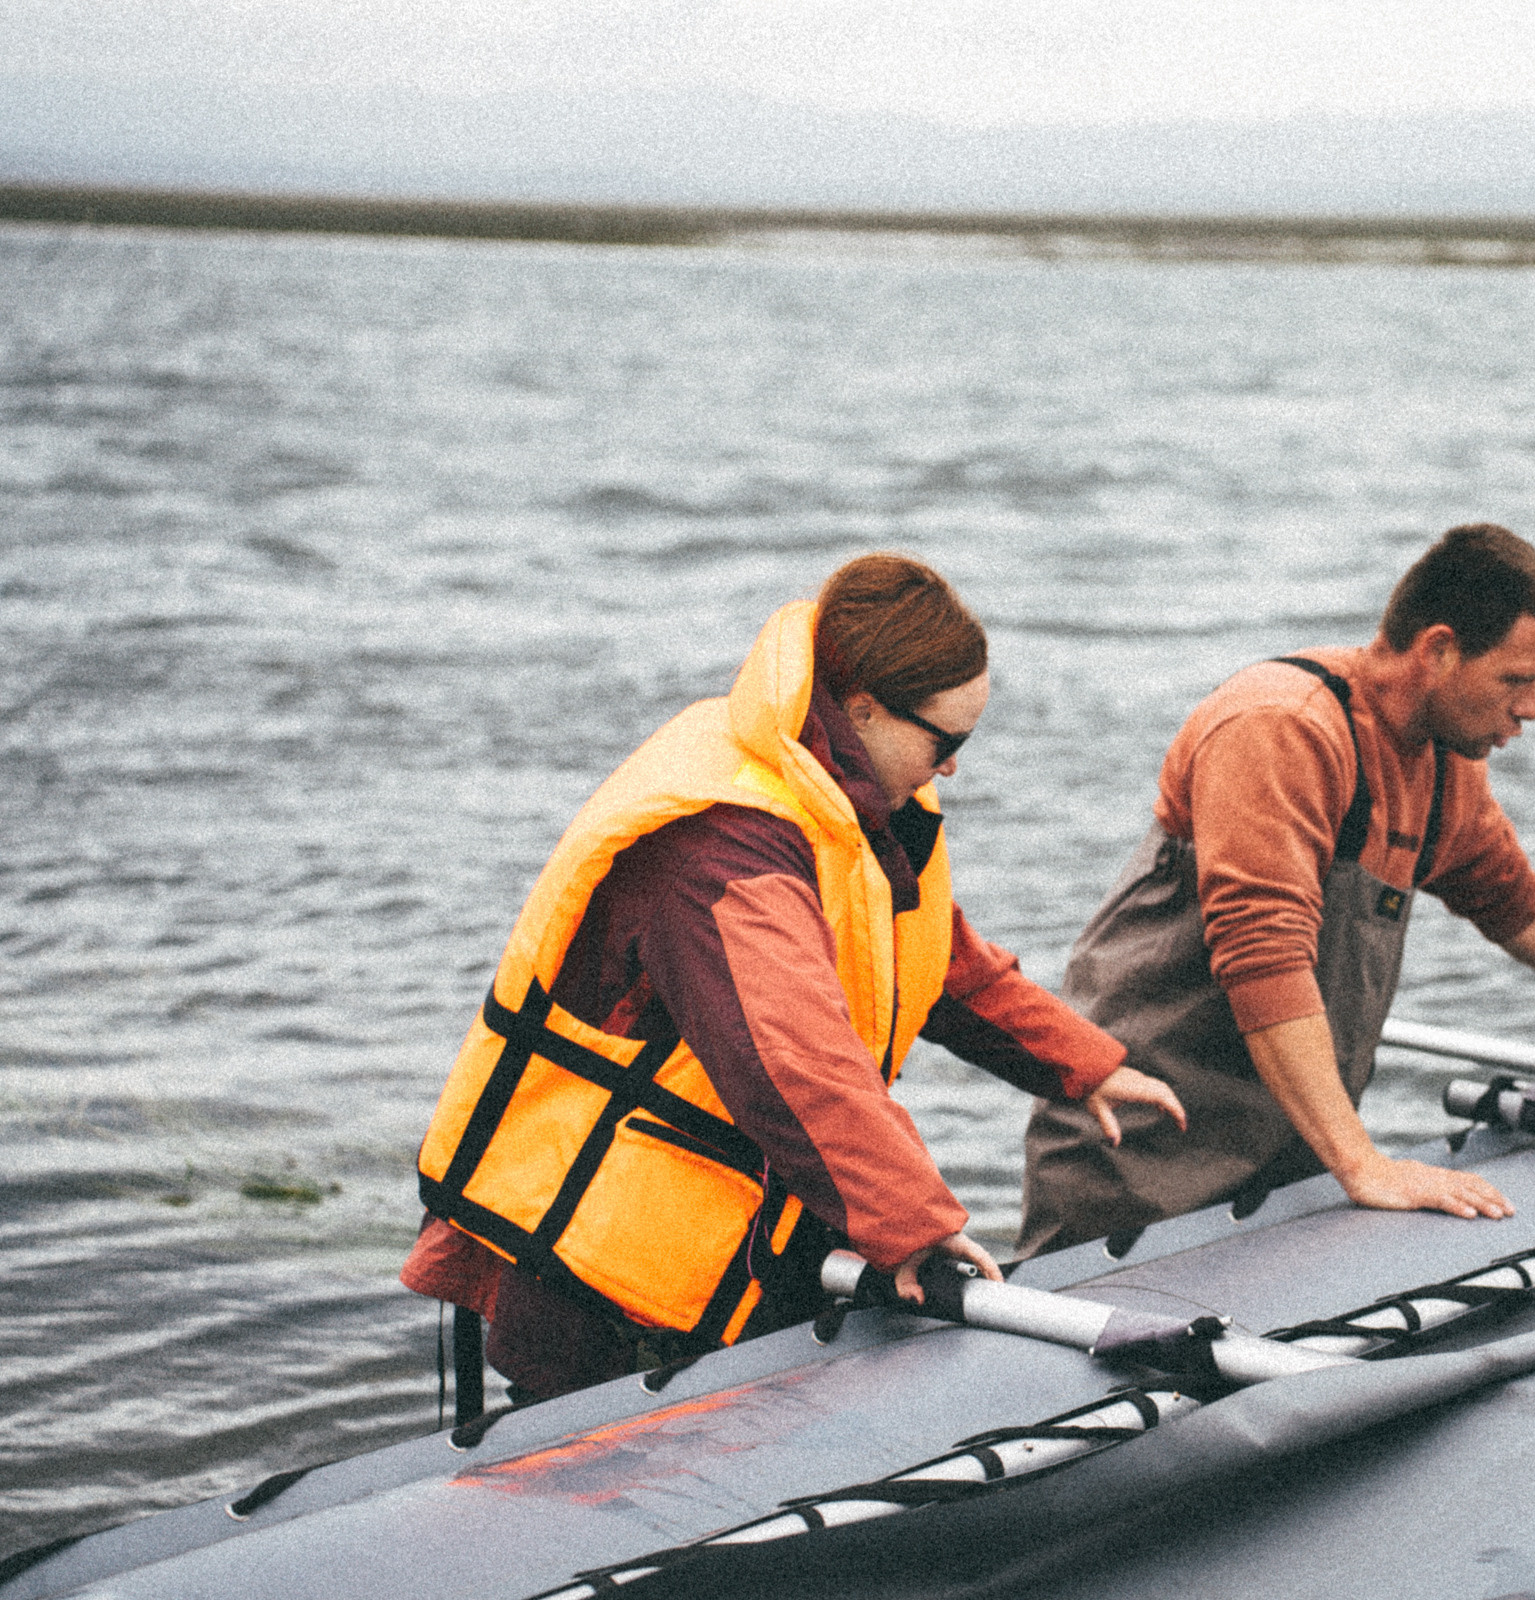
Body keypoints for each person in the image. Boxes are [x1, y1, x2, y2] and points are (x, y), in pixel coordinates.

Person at [403, 554, 1184, 1400]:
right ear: (862, 709)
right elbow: (796, 1063)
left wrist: (1081, 1063)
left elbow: (938, 962)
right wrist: (914, 1228)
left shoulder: (848, 800)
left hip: (733, 1241)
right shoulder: (725, 843)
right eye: (945, 742)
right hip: (606, 1280)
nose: (955, 767)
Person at [1018, 523, 1535, 1258]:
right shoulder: (1282, 728)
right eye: (1516, 679)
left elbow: (1512, 899)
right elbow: (1264, 960)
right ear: (1439, 650)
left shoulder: (1444, 763)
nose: (1532, 709)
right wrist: (1361, 1162)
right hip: (1138, 1153)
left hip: (1283, 1157)